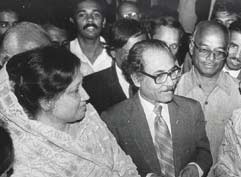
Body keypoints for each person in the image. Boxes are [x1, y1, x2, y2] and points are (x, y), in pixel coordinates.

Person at [1, 46, 139, 177]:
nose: (86, 96)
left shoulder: (88, 120)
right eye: (75, 91)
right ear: (46, 102)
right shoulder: (25, 160)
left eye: (82, 85)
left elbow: (124, 167)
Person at [101, 40, 212, 177]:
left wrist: (195, 167)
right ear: (136, 79)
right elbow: (110, 169)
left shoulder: (191, 109)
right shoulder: (114, 119)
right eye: (160, 76)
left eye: (173, 72)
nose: (171, 82)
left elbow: (204, 152)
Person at [176, 21, 241, 167]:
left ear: (226, 53)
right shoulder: (174, 89)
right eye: (204, 50)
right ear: (191, 47)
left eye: (219, 52)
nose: (211, 58)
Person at [83, 19, 146, 115]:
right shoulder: (91, 86)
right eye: (131, 52)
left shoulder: (155, 79)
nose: (139, 58)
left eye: (143, 50)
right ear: (113, 52)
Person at [70, 0, 113, 76]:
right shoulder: (66, 52)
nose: (90, 19)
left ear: (104, 22)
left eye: (96, 14)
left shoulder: (114, 54)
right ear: (73, 21)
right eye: (82, 15)